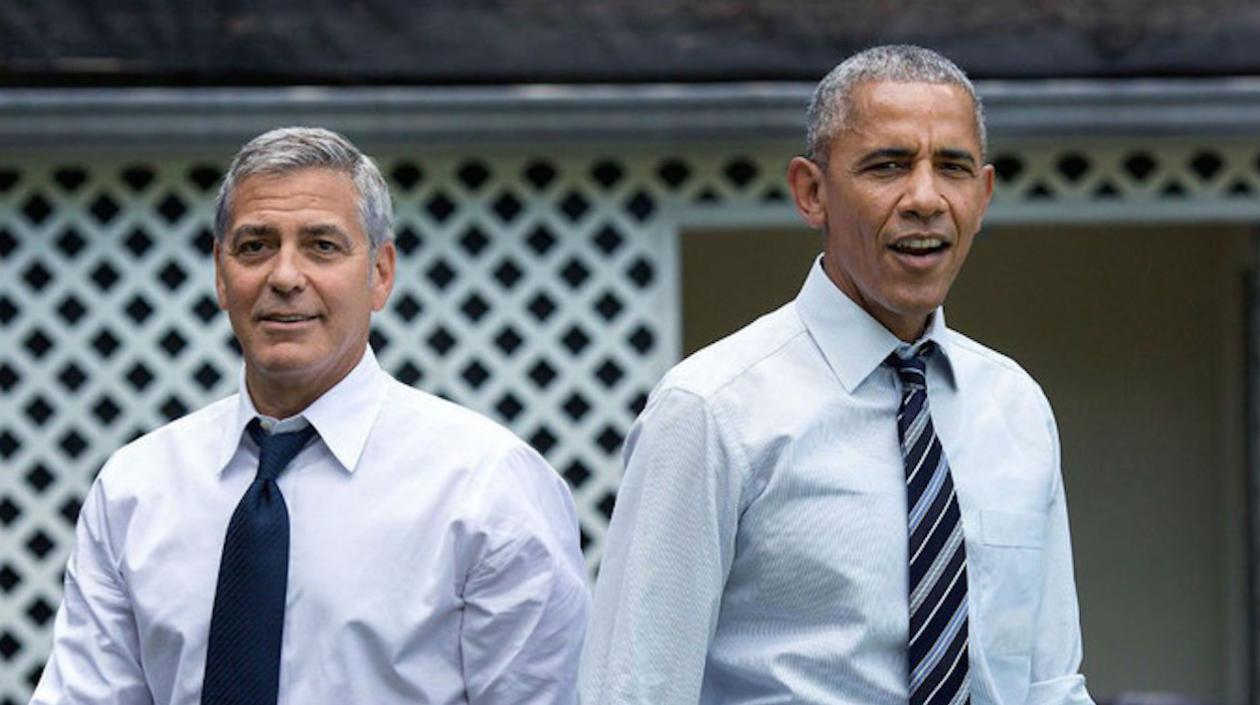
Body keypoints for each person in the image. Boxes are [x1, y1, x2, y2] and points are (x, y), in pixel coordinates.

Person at [580, 45, 1093, 705]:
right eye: (889, 166)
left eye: (953, 168)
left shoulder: (1015, 407)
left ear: (984, 194)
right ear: (811, 192)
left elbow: (1051, 684)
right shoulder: (711, 411)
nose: (926, 198)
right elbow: (634, 688)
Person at [32, 127, 588, 705]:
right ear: (221, 275)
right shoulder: (137, 488)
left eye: (322, 245)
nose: (285, 276)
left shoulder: (488, 487)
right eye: (255, 246)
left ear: (380, 273)